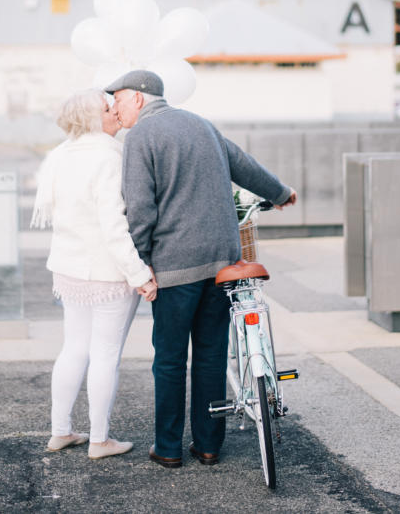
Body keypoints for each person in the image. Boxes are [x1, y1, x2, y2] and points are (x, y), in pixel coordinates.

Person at [106, 70, 296, 469]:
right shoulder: (202, 125)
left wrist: (140, 265)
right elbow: (244, 166)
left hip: (175, 268)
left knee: (171, 359)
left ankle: (169, 448)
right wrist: (280, 193)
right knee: (212, 355)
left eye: (119, 100)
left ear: (139, 98)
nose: (116, 108)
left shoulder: (141, 135)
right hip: (223, 262)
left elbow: (141, 207)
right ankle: (209, 445)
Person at [31, 88, 157, 460]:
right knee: (105, 356)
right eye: (107, 109)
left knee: (74, 349)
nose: (115, 112)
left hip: (69, 269)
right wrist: (140, 275)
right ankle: (100, 440)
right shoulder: (110, 156)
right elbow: (113, 226)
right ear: (91, 118)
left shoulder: (60, 155)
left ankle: (61, 431)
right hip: (107, 272)